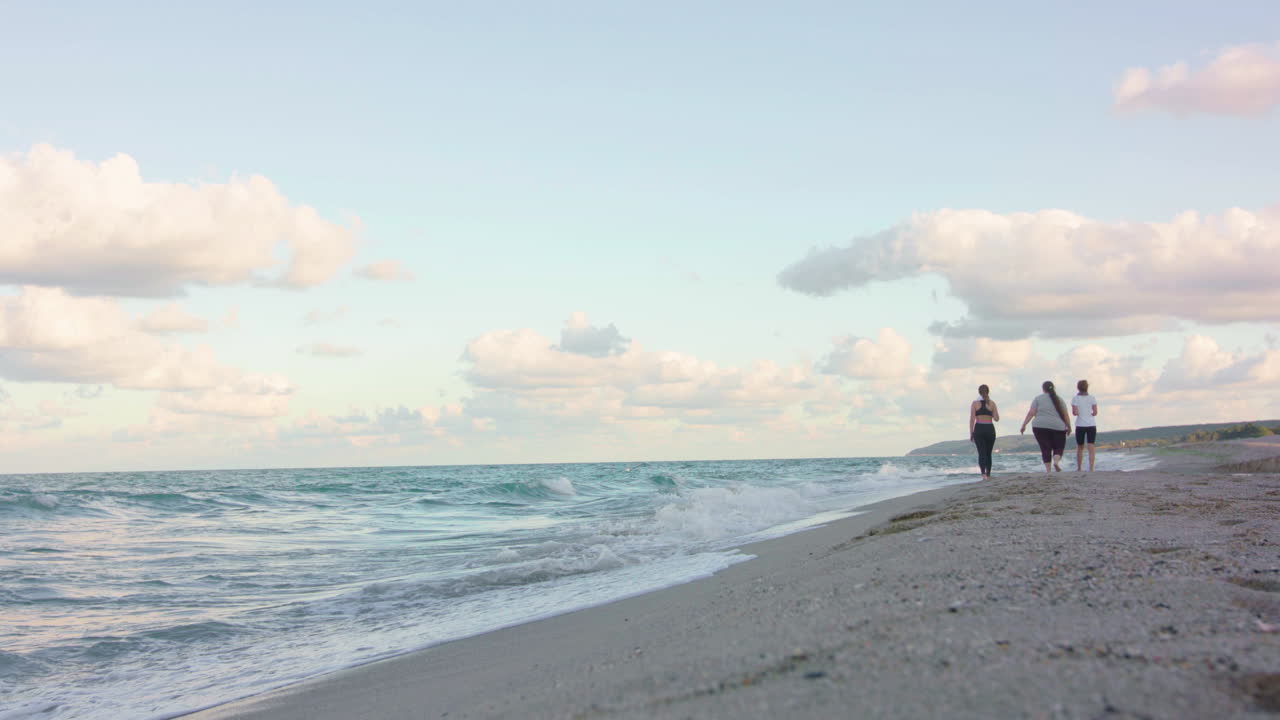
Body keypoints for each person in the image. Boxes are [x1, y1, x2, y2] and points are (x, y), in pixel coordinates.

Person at [1020, 380, 1071, 474]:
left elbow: (1031, 413)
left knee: (1045, 448)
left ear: (1043, 389)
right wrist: (1069, 426)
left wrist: (1024, 424)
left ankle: (1048, 471)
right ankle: (1056, 462)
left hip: (1040, 426)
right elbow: (1065, 415)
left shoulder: (1038, 399)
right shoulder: (1059, 399)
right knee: (1059, 447)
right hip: (1058, 426)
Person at [969, 384, 1000, 480]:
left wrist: (971, 433)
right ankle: (988, 474)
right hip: (989, 428)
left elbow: (972, 419)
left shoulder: (975, 403)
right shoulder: (992, 403)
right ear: (988, 392)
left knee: (981, 453)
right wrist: (990, 412)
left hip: (979, 428)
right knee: (988, 453)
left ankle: (983, 474)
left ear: (979, 392)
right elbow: (997, 419)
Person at [1071, 379, 1099, 472]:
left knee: (1080, 447)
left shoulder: (1075, 398)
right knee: (1091, 446)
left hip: (1080, 424)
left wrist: (1080, 412)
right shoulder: (1092, 398)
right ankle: (1091, 468)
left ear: (1078, 388)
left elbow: (1075, 413)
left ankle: (1079, 468)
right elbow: (1095, 412)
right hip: (1091, 424)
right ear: (1087, 387)